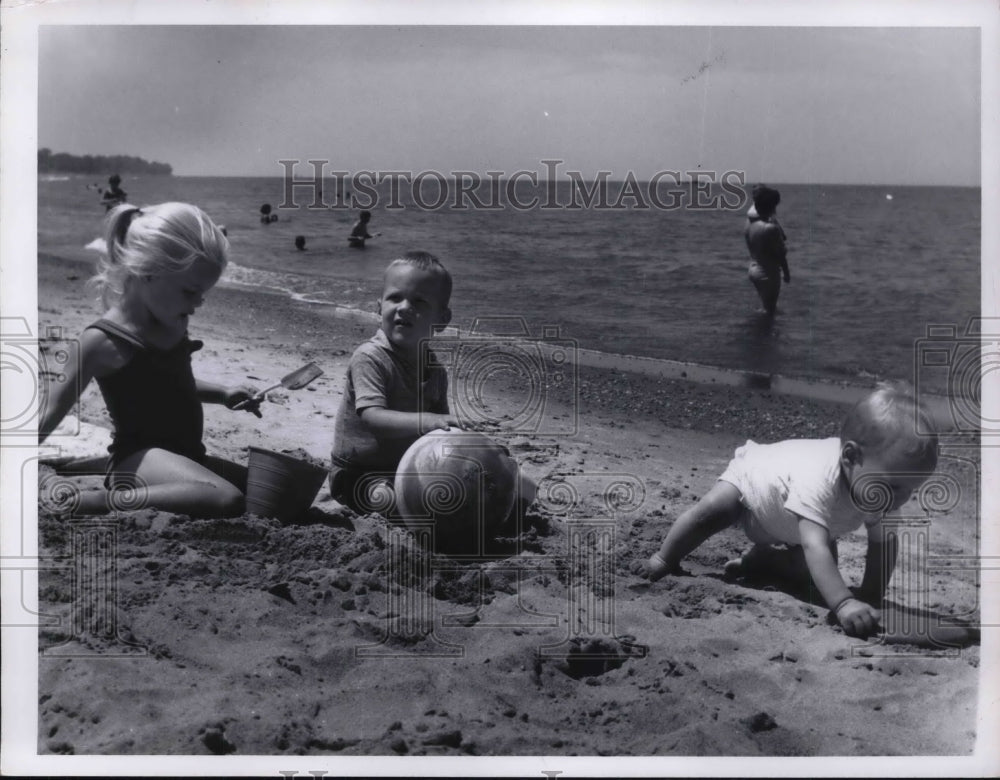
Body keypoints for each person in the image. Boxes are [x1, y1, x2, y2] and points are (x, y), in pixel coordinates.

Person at [639, 381, 939, 639]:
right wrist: (844, 604)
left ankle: (764, 561)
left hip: (790, 525)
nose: (902, 499)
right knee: (710, 513)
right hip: (752, 489)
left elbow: (883, 545)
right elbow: (813, 542)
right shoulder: (821, 475)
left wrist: (871, 595)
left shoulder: (882, 494)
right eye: (895, 486)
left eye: (912, 489)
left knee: (816, 569)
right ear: (850, 456)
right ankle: (664, 558)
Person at [39, 202, 263, 518]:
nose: (199, 302)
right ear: (147, 272)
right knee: (228, 500)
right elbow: (49, 412)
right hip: (136, 462)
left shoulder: (173, 323)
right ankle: (96, 501)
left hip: (186, 458)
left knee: (268, 491)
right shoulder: (101, 341)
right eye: (190, 291)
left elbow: (171, 386)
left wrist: (223, 394)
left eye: (204, 293)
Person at [329, 251, 457, 512]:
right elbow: (373, 416)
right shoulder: (370, 357)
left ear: (442, 320)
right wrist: (429, 420)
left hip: (405, 469)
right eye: (395, 298)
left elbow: (441, 433)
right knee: (389, 499)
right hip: (358, 474)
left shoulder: (436, 371)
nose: (404, 307)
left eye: (419, 302)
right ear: (379, 307)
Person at [744, 184, 789, 315]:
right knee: (769, 313)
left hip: (753, 269)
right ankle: (763, 334)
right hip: (768, 273)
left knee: (765, 308)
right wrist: (786, 273)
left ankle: (756, 332)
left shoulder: (749, 222)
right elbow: (781, 254)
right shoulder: (770, 228)